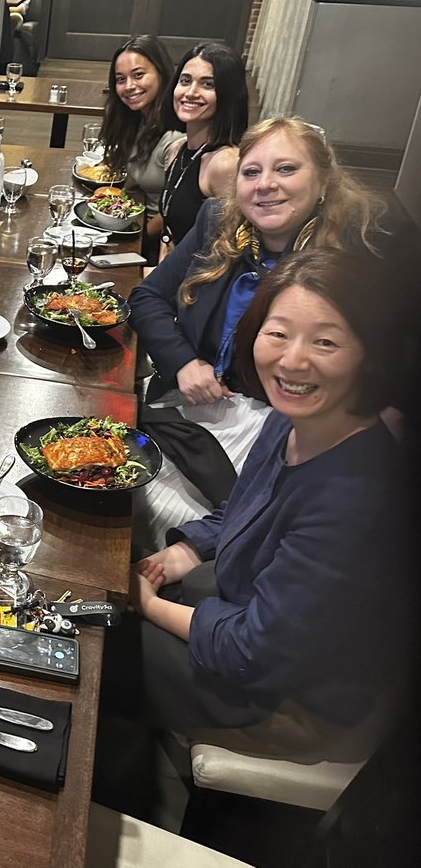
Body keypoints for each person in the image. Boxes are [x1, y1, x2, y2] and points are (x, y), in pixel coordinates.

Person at [107, 249, 409, 765]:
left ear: (370, 353)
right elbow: (244, 509)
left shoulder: (356, 498)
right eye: (278, 333)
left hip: (290, 701)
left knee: (85, 648)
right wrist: (187, 551)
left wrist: (152, 606)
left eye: (326, 342)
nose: (292, 361)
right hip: (248, 615)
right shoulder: (294, 419)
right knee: (111, 577)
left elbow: (251, 653)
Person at [129, 116, 384, 552]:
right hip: (186, 405)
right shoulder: (217, 221)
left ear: (323, 181)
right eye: (252, 171)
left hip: (280, 428)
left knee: (157, 519)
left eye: (286, 169)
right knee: (108, 480)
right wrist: (185, 362)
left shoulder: (350, 260)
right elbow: (146, 299)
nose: (266, 184)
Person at [159, 42, 248, 252]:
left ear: (227, 95)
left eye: (207, 84)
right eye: (185, 81)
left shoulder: (226, 163)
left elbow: (227, 251)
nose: (190, 92)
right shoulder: (176, 149)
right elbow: (169, 233)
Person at [99, 35, 183, 253]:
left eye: (138, 75)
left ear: (162, 74)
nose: (129, 86)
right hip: (128, 221)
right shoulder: (140, 120)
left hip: (152, 243)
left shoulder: (176, 136)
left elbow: (172, 213)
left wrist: (131, 239)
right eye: (120, 79)